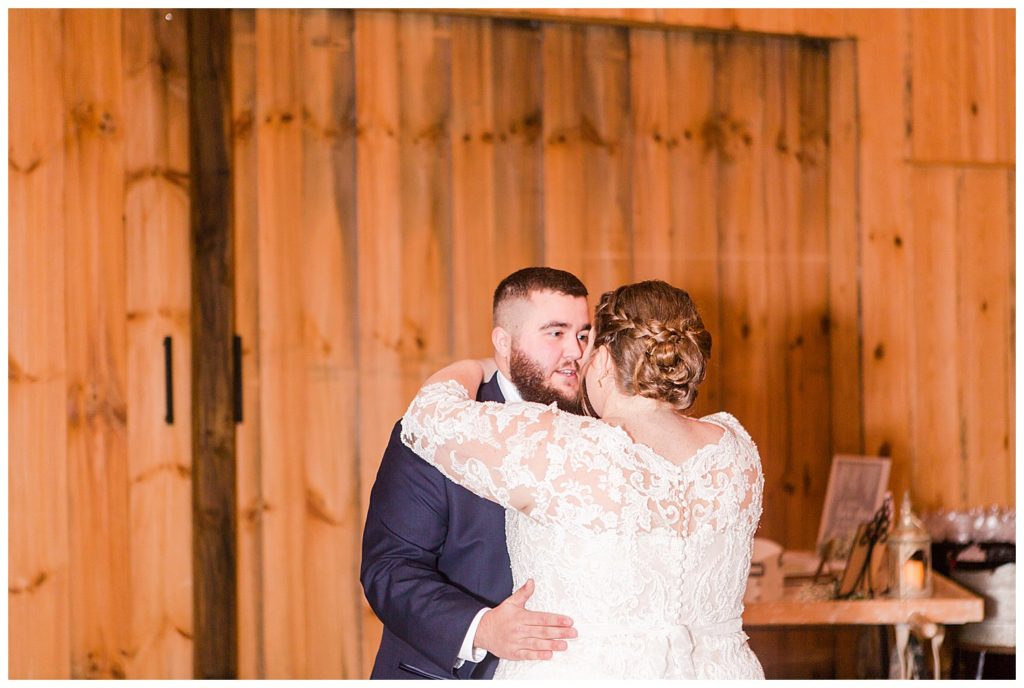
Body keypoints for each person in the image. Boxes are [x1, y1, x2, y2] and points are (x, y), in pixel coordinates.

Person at [400, 280, 765, 679]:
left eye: (588, 346)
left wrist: (478, 366)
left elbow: (427, 416)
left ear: (605, 362)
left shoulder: (564, 446)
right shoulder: (735, 449)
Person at [361, 267, 590, 679]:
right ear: (504, 342)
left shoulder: (601, 429)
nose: (574, 351)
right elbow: (390, 568)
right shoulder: (439, 428)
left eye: (583, 335)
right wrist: (482, 628)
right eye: (555, 333)